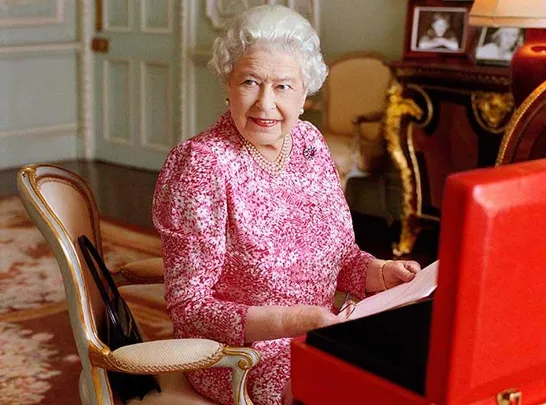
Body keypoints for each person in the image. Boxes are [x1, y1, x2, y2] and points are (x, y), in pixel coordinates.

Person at [152, 5, 421, 405]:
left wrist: (380, 273)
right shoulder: (203, 164)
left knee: (412, 367)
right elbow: (189, 308)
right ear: (228, 82)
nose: (265, 103)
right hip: (240, 358)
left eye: (282, 86)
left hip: (320, 334)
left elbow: (342, 257)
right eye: (250, 81)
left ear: (305, 93)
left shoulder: (310, 143)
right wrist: (295, 320)